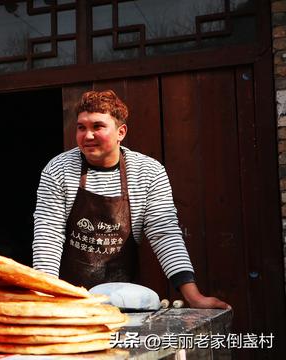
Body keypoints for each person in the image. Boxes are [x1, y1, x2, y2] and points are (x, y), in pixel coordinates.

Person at [33, 90, 230, 309]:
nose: (87, 135)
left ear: (121, 132)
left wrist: (193, 296)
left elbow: (164, 233)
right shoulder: (58, 169)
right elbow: (48, 235)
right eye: (81, 127)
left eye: (97, 126)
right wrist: (45, 296)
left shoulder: (148, 172)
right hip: (67, 299)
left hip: (125, 300)